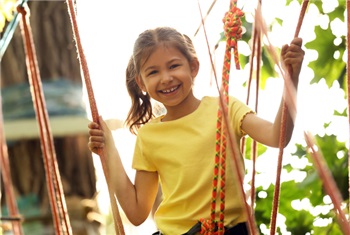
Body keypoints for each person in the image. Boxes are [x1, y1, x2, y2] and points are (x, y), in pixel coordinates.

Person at [88, 26, 304, 235]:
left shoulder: (224, 110)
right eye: (153, 72)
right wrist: (109, 150)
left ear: (193, 67)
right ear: (141, 83)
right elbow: (136, 213)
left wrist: (291, 79)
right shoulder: (149, 136)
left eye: (173, 66)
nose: (165, 78)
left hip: (231, 229)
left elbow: (278, 136)